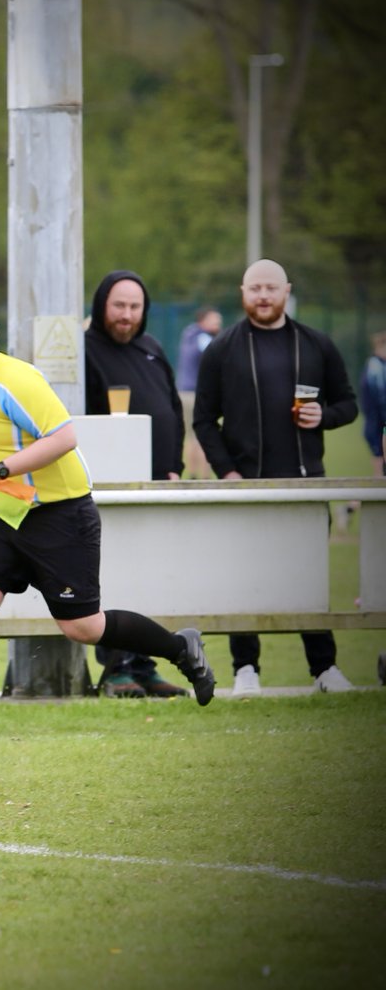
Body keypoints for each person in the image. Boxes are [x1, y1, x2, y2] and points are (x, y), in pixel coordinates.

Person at [0, 285, 214, 734]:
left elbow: (64, 438)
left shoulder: (15, 378)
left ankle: (181, 648)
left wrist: (0, 470)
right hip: (5, 518)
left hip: (61, 516)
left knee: (82, 627)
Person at [194, 259, 359, 695]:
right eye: (255, 288)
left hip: (306, 484)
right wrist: (228, 472)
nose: (263, 296)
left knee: (309, 578)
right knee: (244, 579)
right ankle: (246, 669)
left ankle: (325, 669)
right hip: (245, 486)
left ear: (287, 290)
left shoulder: (316, 344)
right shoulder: (222, 349)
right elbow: (204, 421)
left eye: (271, 288)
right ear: (242, 293)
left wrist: (325, 415)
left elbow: (348, 404)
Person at [84, 270, 188, 699]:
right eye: (119, 306)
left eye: (134, 307)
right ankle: (117, 669)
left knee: (150, 577)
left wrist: (174, 465)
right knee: (114, 577)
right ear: (102, 306)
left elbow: (173, 409)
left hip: (157, 483)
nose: (126, 315)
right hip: (109, 488)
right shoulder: (84, 351)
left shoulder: (152, 348)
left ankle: (144, 666)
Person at [177, 307, 223, 479]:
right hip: (196, 394)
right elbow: (213, 357)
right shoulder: (204, 338)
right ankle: (204, 477)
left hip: (184, 392)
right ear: (203, 321)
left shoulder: (188, 333)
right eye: (214, 320)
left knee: (190, 437)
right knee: (204, 435)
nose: (218, 324)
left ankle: (192, 475)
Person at [360, 329, 386, 478]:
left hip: (377, 420)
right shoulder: (375, 366)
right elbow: (378, 397)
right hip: (376, 422)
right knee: (378, 458)